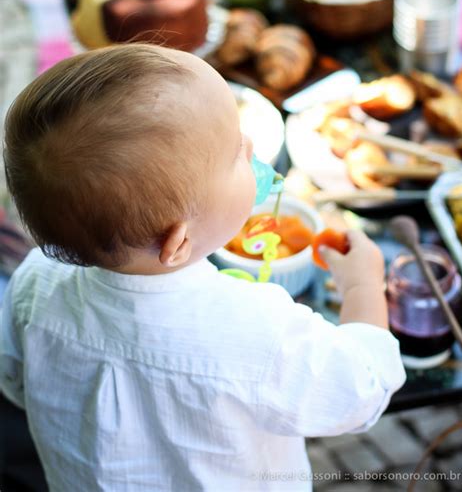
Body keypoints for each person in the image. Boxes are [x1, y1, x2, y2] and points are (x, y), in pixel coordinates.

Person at [0, 44, 405, 491]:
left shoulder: (33, 282)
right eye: (235, 153)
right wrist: (363, 286)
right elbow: (361, 389)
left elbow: (17, 382)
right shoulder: (258, 330)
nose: (250, 145)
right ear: (179, 243)